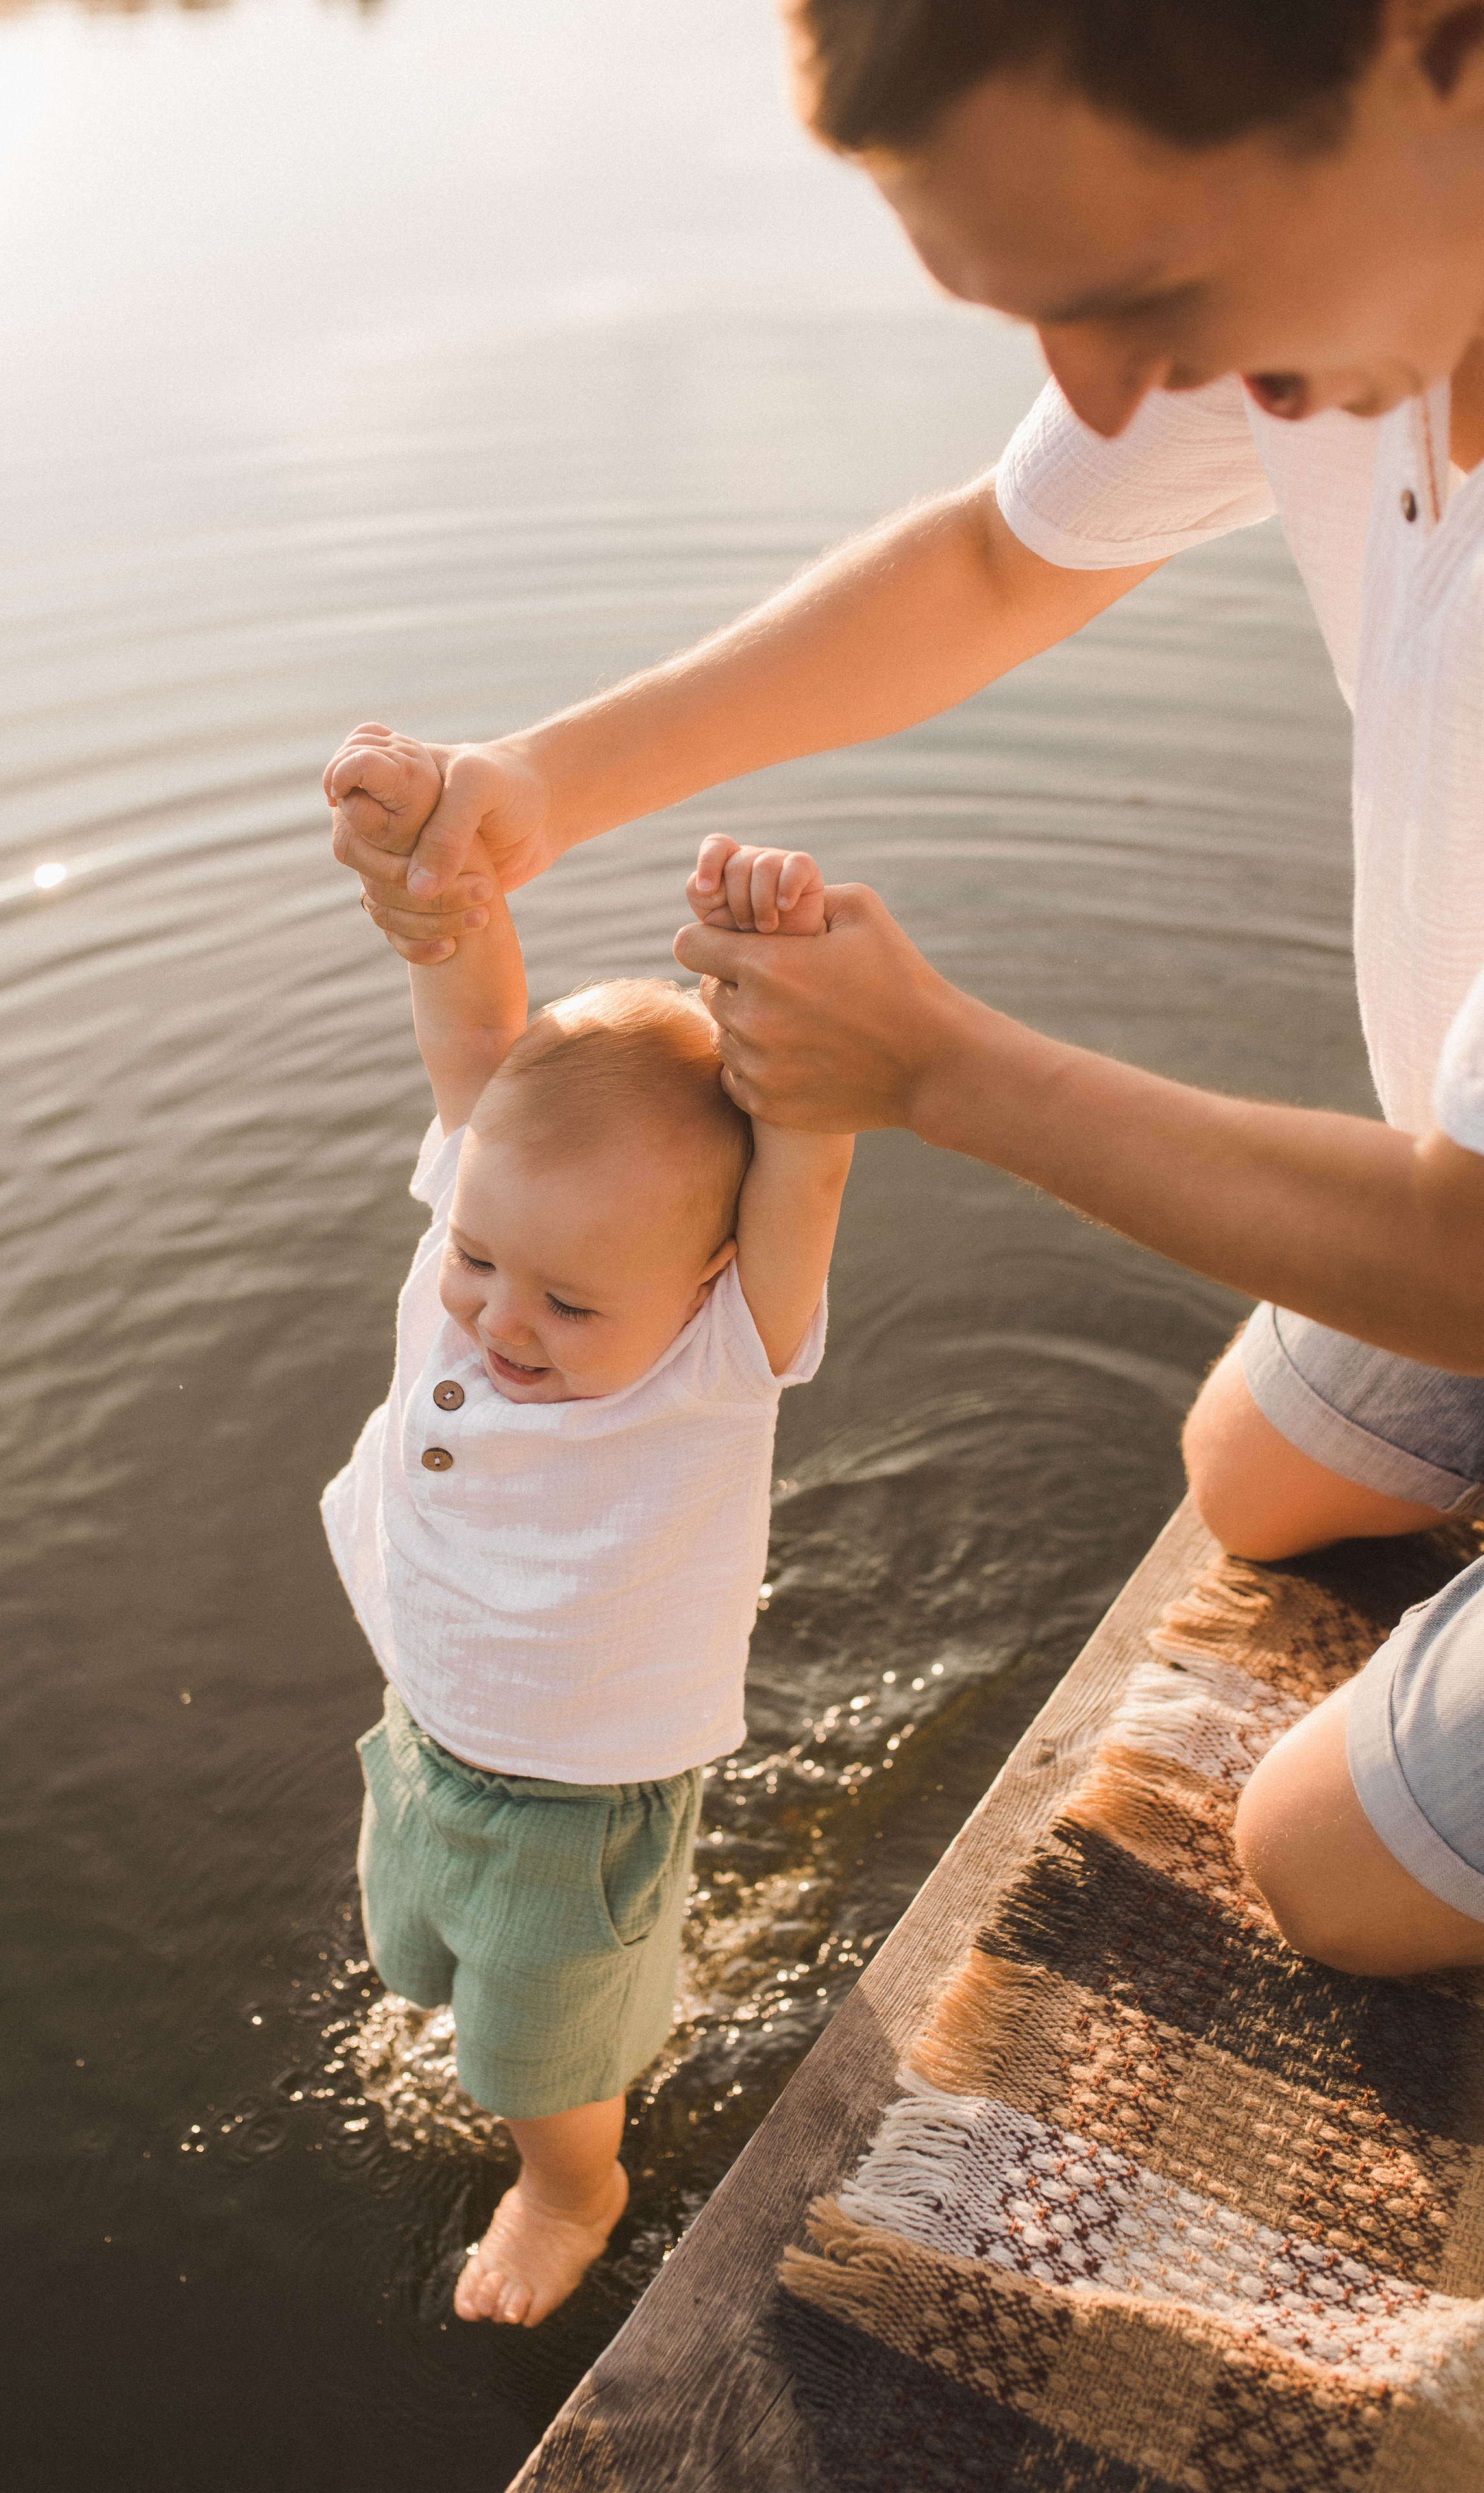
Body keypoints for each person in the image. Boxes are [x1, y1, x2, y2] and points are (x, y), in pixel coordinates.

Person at [327, 4, 1484, 1985]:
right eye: (1031, 307)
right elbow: (989, 559)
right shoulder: (1342, 252)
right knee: (1247, 1480)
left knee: (1324, 1865)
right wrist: (539, 791)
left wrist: (941, 1071)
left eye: (1135, 286)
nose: (1113, 384)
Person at [319, 732, 851, 2325]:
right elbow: (474, 1041)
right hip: (424, 1722)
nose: (498, 1322)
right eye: (483, 1264)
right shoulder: (489, 1209)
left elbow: (806, 1163)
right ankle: (515, 2066)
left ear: (699, 1289)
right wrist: (446, 878)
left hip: (577, 1797)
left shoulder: (714, 1357)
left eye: (566, 1301)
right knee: (417, 1954)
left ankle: (575, 2186)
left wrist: (779, 983)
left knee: (543, 2046)